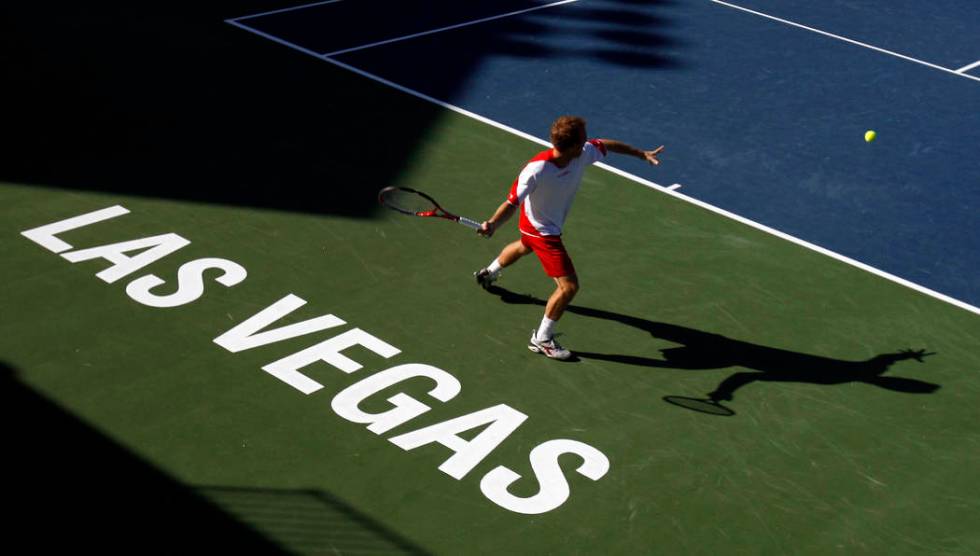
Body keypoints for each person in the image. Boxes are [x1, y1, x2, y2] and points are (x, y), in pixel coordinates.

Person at [474, 115, 664, 360]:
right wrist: (493, 224)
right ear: (572, 147)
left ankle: (489, 272)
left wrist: (640, 154)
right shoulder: (536, 170)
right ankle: (542, 339)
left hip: (535, 225)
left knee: (524, 246)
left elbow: (607, 144)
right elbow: (511, 203)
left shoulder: (580, 152)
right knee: (569, 287)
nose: (587, 143)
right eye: (583, 140)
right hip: (542, 230)